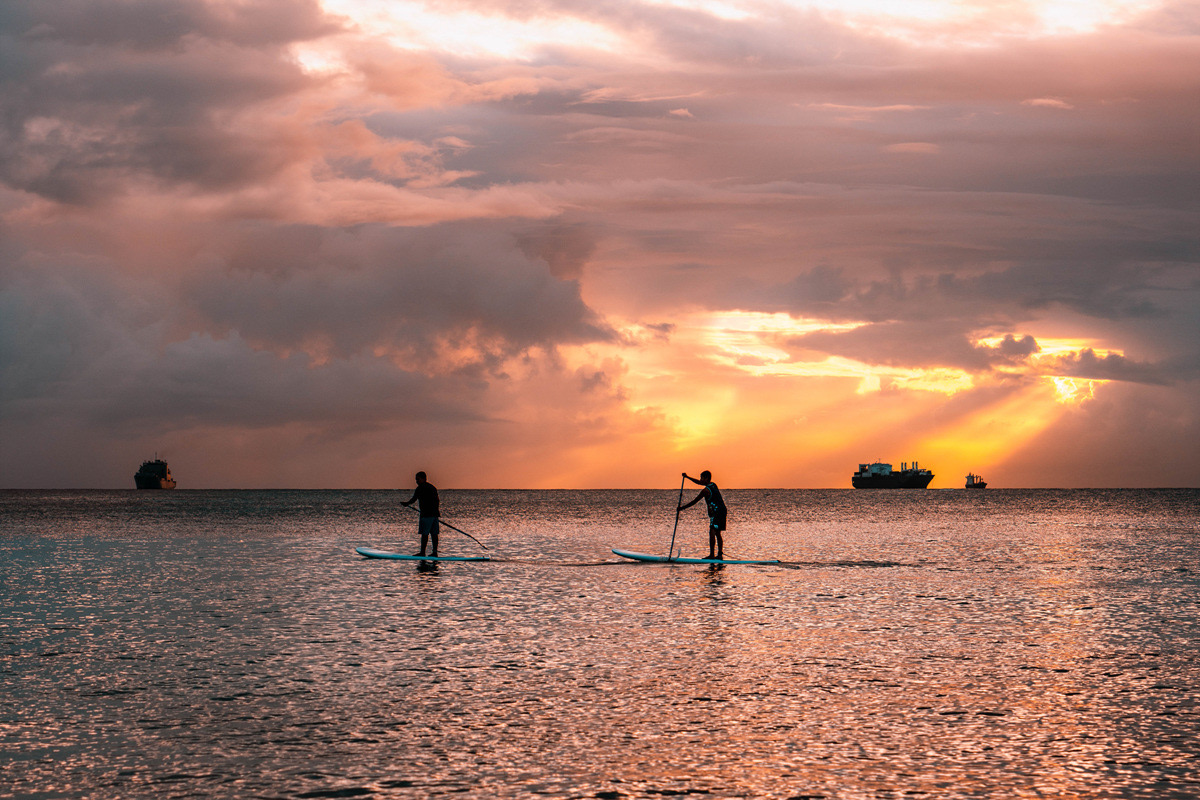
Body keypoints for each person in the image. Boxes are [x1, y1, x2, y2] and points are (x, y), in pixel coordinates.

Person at [678, 470, 728, 560]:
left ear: (706, 478)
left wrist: (682, 508)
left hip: (717, 512)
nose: (700, 480)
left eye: (702, 478)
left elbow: (695, 501)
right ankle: (720, 555)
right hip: (722, 511)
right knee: (717, 533)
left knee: (712, 531)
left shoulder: (706, 491)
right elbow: (699, 482)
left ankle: (712, 555)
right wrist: (688, 477)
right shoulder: (713, 484)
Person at [402, 471, 440, 557]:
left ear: (423, 479)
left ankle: (423, 552)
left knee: (425, 534)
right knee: (434, 534)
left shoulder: (420, 488)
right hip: (434, 514)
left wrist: (406, 503)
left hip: (426, 515)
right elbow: (437, 501)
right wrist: (435, 512)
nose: (416, 481)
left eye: (418, 479)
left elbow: (414, 499)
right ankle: (435, 552)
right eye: (416, 479)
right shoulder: (432, 487)